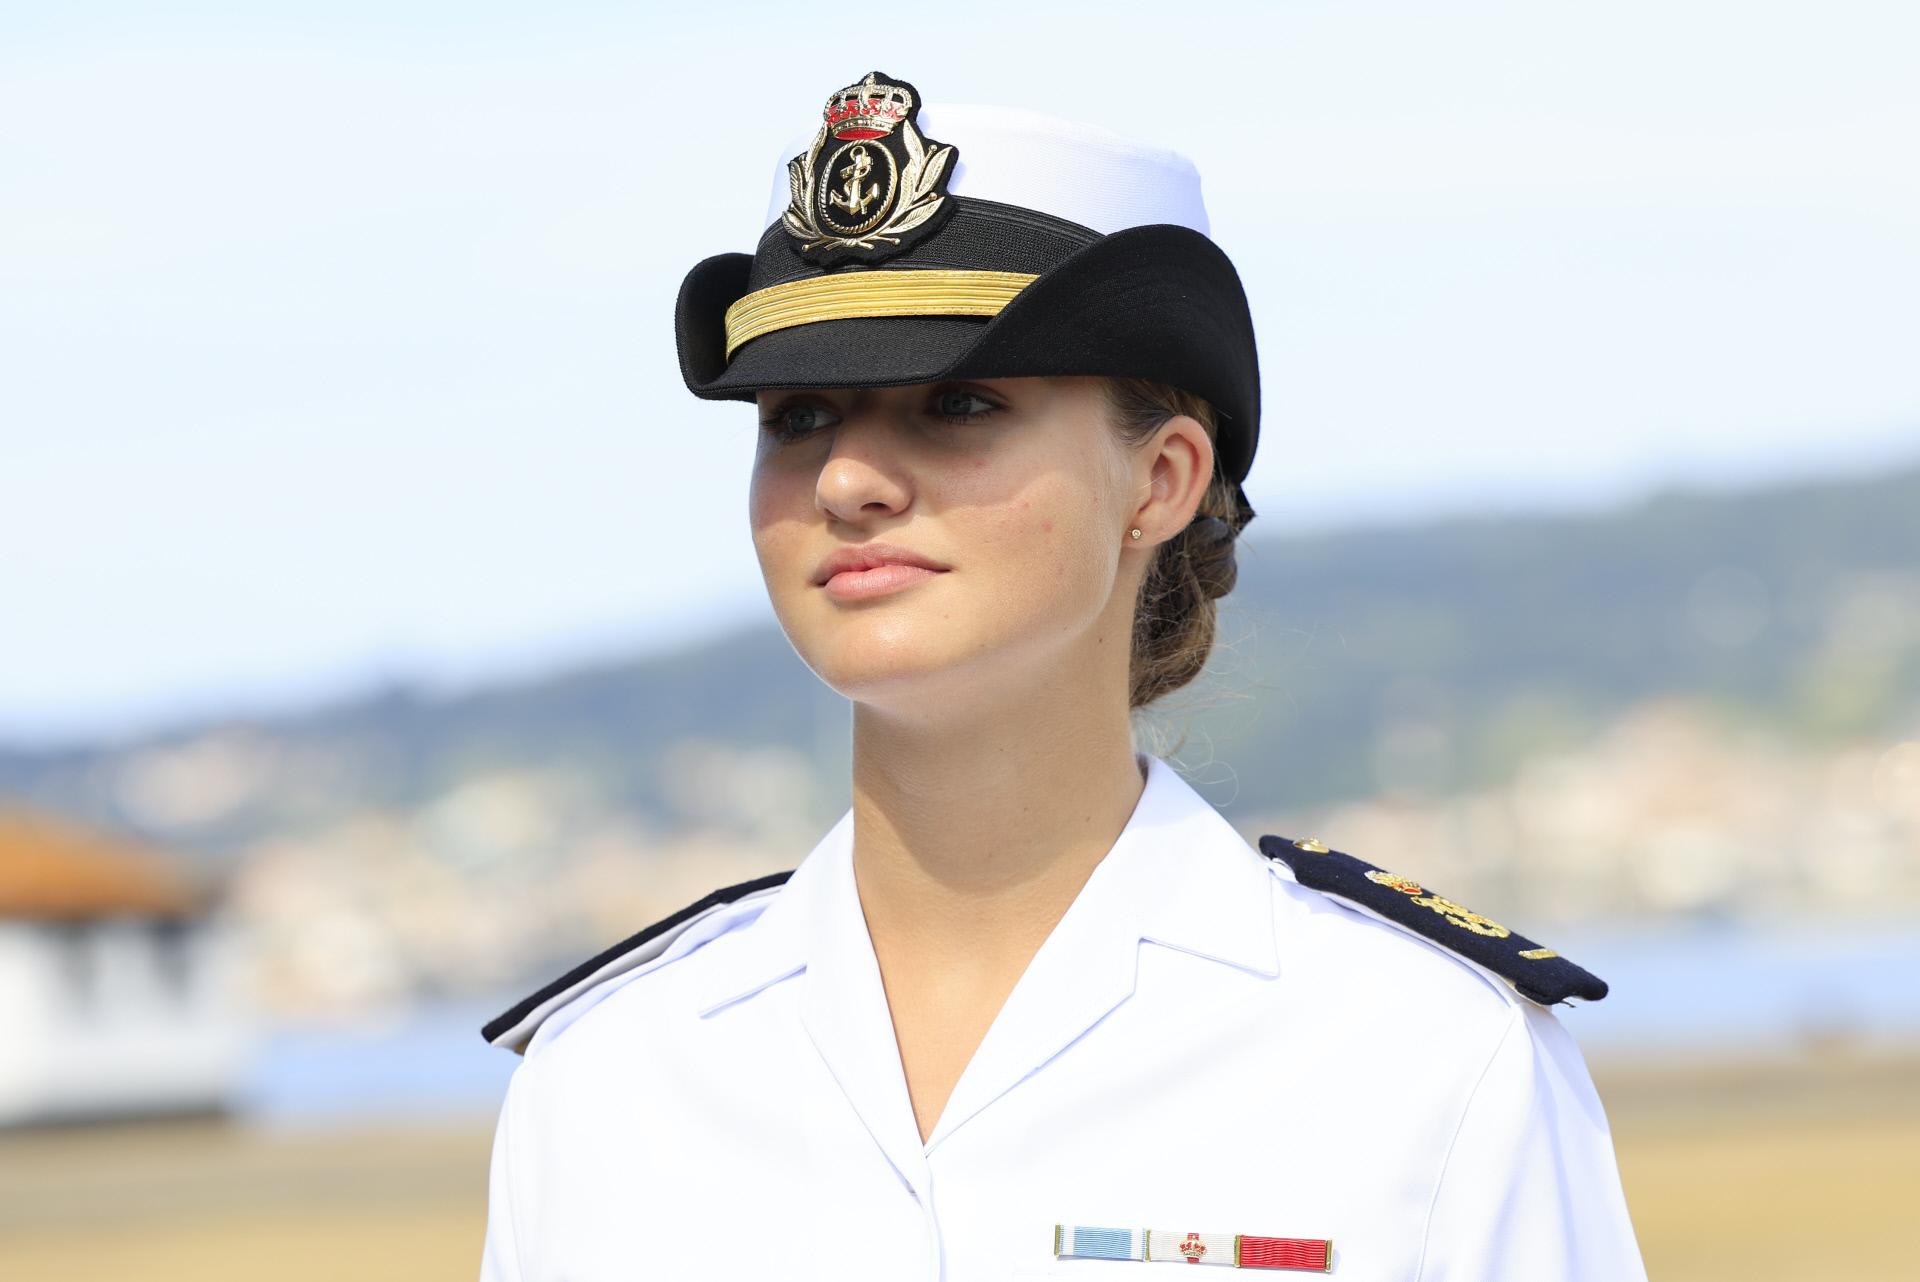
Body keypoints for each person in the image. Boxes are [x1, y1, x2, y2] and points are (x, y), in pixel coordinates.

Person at [475, 70, 1647, 1281]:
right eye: (798, 417)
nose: (846, 480)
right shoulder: (606, 1084)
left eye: (958, 403)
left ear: (1162, 479)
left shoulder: (1430, 1061)